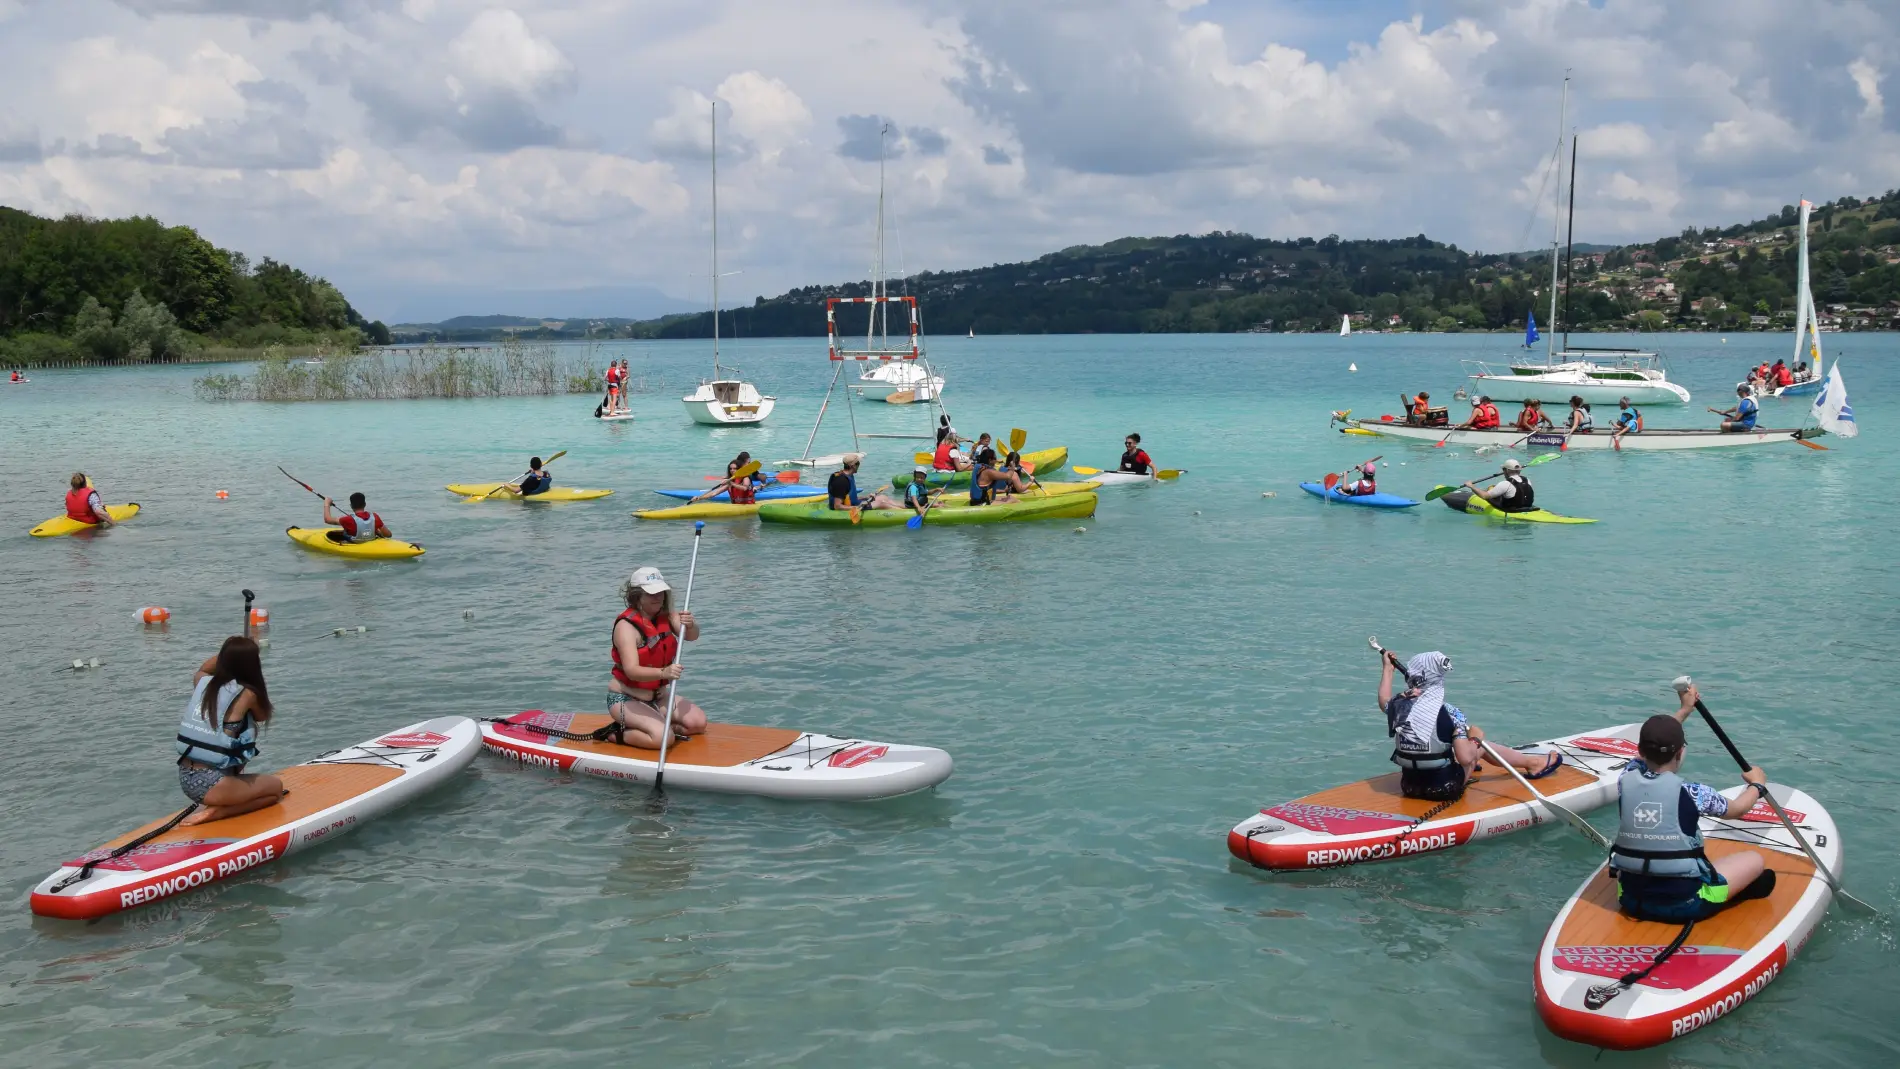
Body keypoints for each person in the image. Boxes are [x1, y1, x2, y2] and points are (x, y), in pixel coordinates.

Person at [1608, 686, 1776, 922]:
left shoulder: (1626, 778)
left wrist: (1684, 711)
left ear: (1640, 751)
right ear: (1680, 753)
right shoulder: (1694, 793)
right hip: (1687, 904)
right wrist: (1756, 786)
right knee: (1755, 861)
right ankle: (1726, 896)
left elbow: (1652, 746)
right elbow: (1738, 809)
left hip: (1630, 898)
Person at [1377, 648, 1563, 801]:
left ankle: (1523, 762)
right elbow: (1466, 758)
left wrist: (1387, 669)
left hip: (1409, 787)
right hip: (1444, 789)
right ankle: (1533, 763)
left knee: (1449, 746)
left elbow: (1383, 700)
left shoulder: (1397, 705)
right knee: (1480, 748)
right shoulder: (1450, 713)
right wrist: (1475, 738)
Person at [176, 636, 284, 825]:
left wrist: (230, 655)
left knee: (267, 790)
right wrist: (246, 656)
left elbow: (203, 668)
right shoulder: (248, 694)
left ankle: (220, 803)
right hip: (215, 783)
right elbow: (262, 716)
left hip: (186, 779)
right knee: (276, 789)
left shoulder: (202, 683)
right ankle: (218, 812)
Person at [606, 567, 706, 748]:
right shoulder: (626, 627)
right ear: (637, 597)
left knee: (698, 723)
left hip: (657, 697)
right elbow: (632, 671)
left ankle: (656, 724)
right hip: (627, 698)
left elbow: (692, 636)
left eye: (661, 592)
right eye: (651, 594)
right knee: (664, 739)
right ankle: (616, 734)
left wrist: (690, 625)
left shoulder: (668, 617)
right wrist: (664, 672)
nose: (658, 597)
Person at [827, 454, 902, 510]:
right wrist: (858, 507)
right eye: (858, 463)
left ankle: (909, 507)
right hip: (848, 507)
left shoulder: (849, 475)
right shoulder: (841, 481)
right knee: (881, 503)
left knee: (883, 497)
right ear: (853, 466)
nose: (859, 465)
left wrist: (866, 497)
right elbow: (837, 506)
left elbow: (849, 497)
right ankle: (905, 514)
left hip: (853, 503)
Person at [1462, 456, 1536, 513]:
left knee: (1489, 492)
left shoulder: (1505, 484)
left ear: (1506, 470)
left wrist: (1471, 486)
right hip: (1527, 507)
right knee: (1493, 488)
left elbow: (1484, 496)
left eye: (1503, 469)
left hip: (1512, 510)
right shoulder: (1527, 480)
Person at [690, 452, 763, 505]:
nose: (732, 470)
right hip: (735, 507)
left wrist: (730, 483)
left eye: (735, 469)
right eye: (730, 468)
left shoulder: (745, 478)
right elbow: (714, 493)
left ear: (739, 469)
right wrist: (699, 498)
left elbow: (744, 488)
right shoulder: (731, 481)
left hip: (748, 506)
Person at [324, 492, 390, 542]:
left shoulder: (347, 520)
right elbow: (388, 535)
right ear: (365, 504)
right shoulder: (375, 517)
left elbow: (327, 520)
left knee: (345, 532)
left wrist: (327, 503)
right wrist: (377, 531)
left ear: (351, 506)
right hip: (371, 541)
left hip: (355, 542)